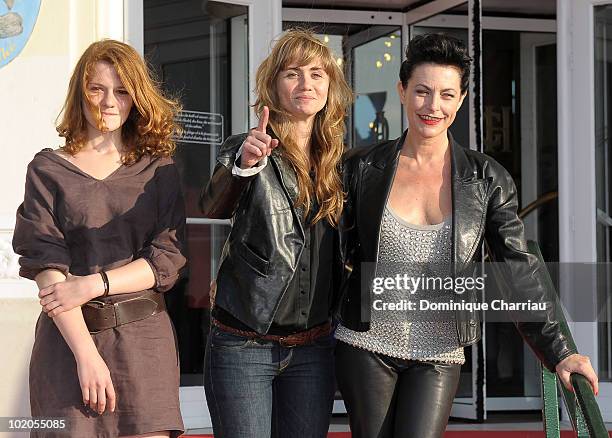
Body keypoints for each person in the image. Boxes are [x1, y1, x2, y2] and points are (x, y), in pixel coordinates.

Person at [334, 33, 599, 438]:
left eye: (445, 94)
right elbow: (327, 249)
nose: (432, 106)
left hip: (440, 351)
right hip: (365, 343)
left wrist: (560, 352)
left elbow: (517, 267)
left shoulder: (485, 178)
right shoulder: (361, 168)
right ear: (402, 90)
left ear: (460, 101)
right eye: (422, 91)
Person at [12, 39, 186, 438]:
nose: (109, 102)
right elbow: (44, 264)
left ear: (137, 98)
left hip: (143, 340)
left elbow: (166, 259)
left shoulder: (158, 170)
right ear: (80, 93)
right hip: (67, 343)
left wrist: (93, 284)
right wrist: (86, 356)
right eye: (97, 88)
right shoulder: (47, 169)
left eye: (122, 90)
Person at [200, 29, 352, 438]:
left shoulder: (339, 164)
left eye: (317, 74)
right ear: (274, 83)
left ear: (330, 87)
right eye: (293, 73)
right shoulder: (247, 147)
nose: (306, 84)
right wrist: (245, 164)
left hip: (314, 348)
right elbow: (213, 205)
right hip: (244, 346)